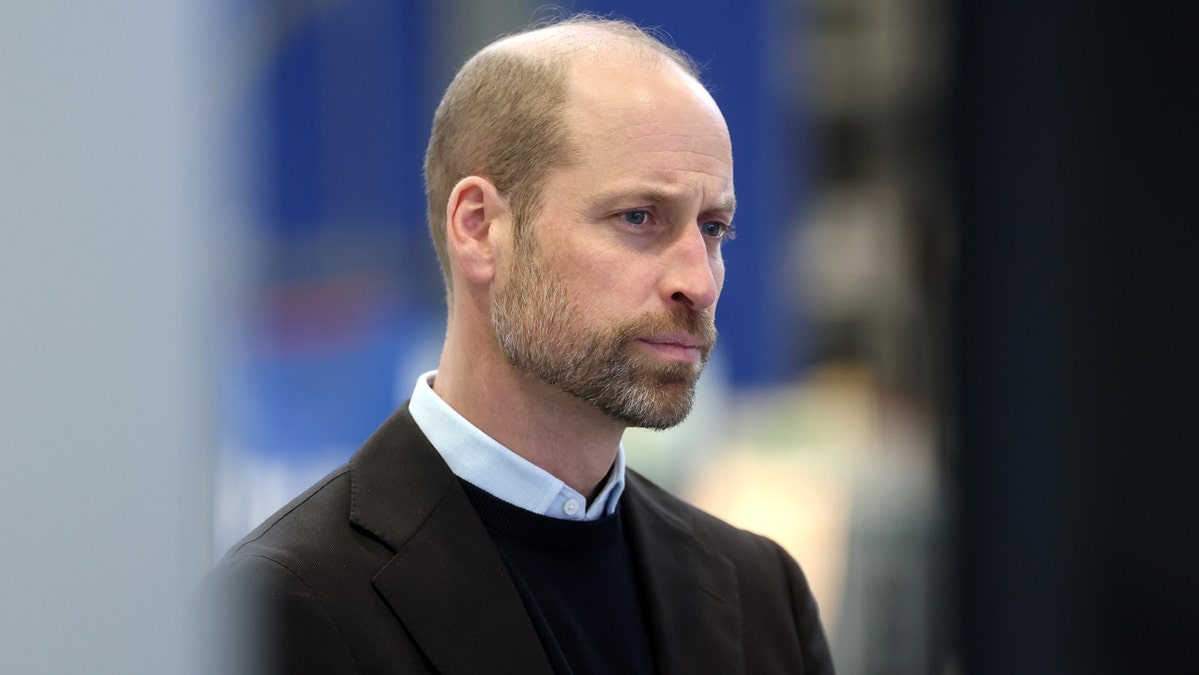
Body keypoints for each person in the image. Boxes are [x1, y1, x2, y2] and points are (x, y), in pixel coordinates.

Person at [196, 15, 835, 675]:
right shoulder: (290, 605)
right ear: (479, 229)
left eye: (713, 227)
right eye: (639, 218)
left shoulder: (761, 595)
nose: (697, 282)